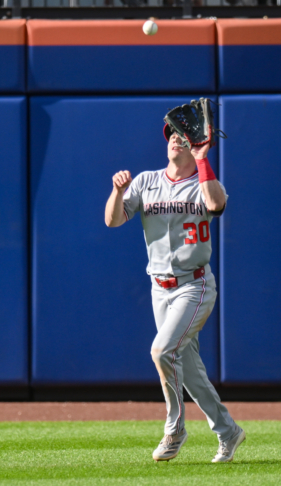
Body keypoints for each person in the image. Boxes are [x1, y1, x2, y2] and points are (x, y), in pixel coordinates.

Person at [104, 122, 245, 463]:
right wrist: (118, 191)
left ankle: (175, 429)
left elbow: (217, 205)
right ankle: (228, 431)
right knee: (191, 370)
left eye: (183, 138)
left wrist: (202, 160)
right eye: (172, 137)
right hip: (159, 287)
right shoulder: (147, 181)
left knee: (162, 351)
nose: (174, 142)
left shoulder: (204, 182)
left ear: (194, 146)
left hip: (194, 285)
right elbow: (112, 220)